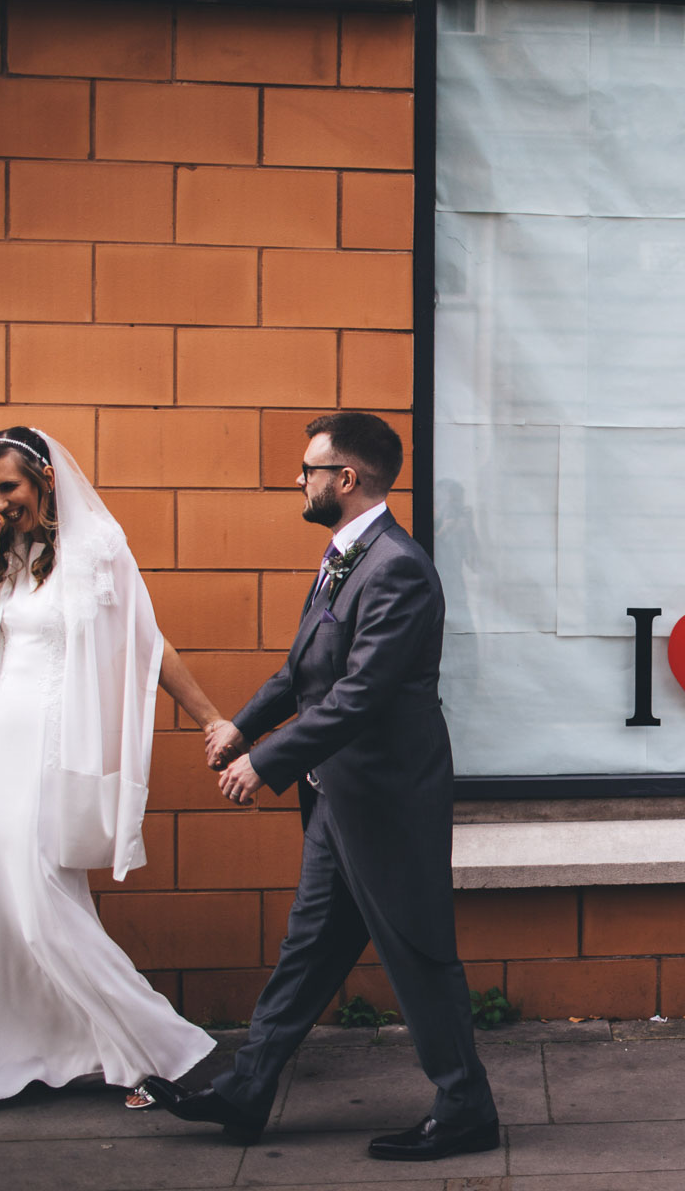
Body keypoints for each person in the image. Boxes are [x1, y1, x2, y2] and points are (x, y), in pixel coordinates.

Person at [143, 412, 499, 1161]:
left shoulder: (395, 565)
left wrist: (263, 762)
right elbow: (304, 671)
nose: (299, 481)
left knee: (419, 953)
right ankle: (246, 1091)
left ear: (347, 478)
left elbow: (361, 694)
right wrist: (243, 725)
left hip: (388, 802)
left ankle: (466, 1108)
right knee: (307, 951)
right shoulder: (346, 557)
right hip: (340, 799)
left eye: (310, 469)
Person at [0, 428, 222, 1108]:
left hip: (52, 754)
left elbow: (146, 640)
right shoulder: (7, 558)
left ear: (45, 478)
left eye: (8, 487)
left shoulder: (97, 550)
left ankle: (161, 1051)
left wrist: (210, 718)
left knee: (38, 907)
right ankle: (58, 1045)